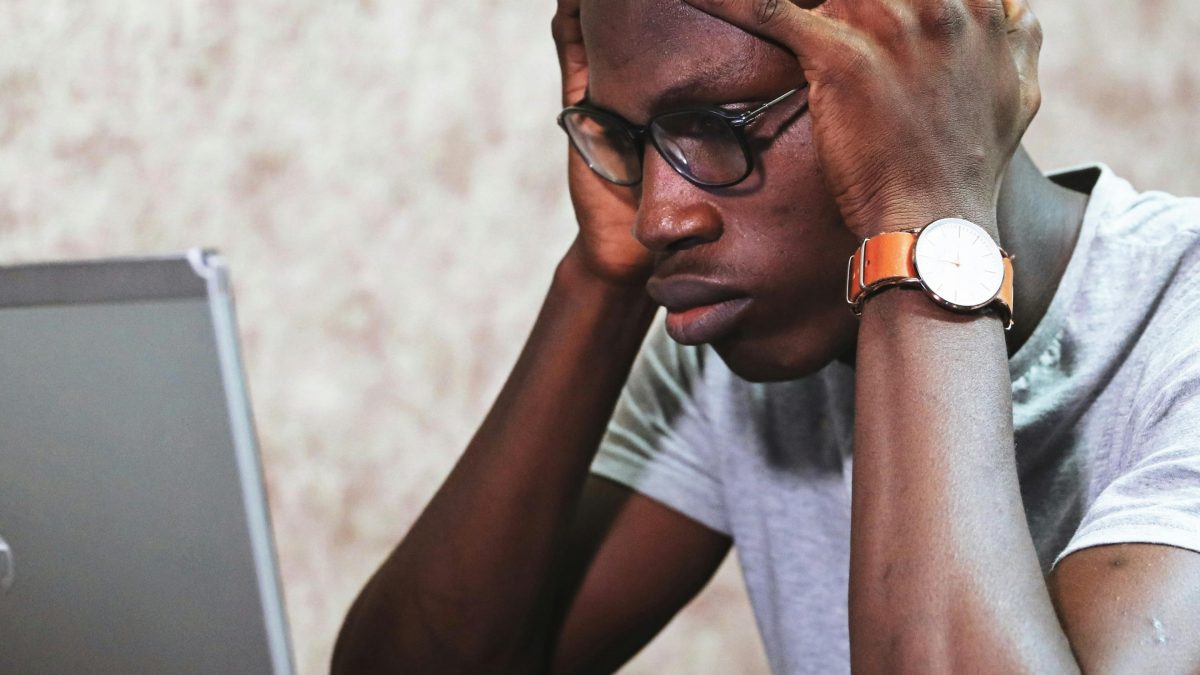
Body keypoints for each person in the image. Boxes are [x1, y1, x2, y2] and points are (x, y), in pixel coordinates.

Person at [332, 0, 1200, 672]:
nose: (657, 214)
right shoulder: (740, 355)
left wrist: (921, 219)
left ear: (935, 71)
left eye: (718, 123)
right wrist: (599, 281)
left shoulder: (1180, 316)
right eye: (633, 141)